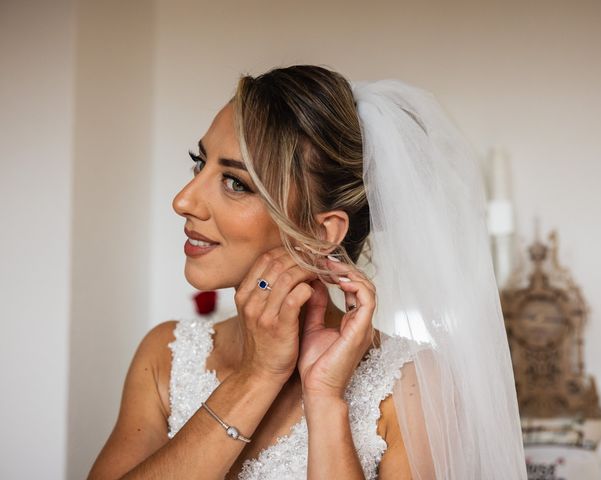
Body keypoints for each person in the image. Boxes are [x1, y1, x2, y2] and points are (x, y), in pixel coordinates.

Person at [88, 65, 526, 479]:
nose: (183, 200)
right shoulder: (164, 356)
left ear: (319, 231)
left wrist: (325, 397)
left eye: (236, 183)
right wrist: (255, 376)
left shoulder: (413, 384)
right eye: (200, 163)